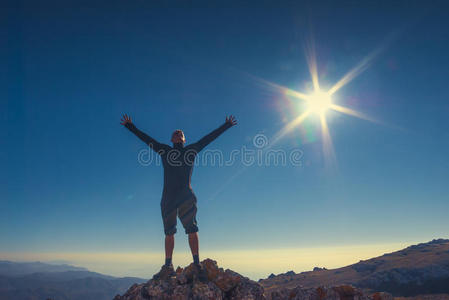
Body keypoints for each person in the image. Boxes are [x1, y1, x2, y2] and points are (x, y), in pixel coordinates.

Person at [120, 114, 237, 280]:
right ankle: (168, 266)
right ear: (171, 139)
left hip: (186, 196)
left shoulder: (191, 150)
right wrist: (130, 126)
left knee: (192, 229)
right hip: (168, 198)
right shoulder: (164, 150)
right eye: (175, 133)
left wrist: (226, 125)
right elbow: (146, 139)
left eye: (181, 133)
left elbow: (209, 138)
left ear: (184, 138)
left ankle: (197, 264)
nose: (178, 133)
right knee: (169, 233)